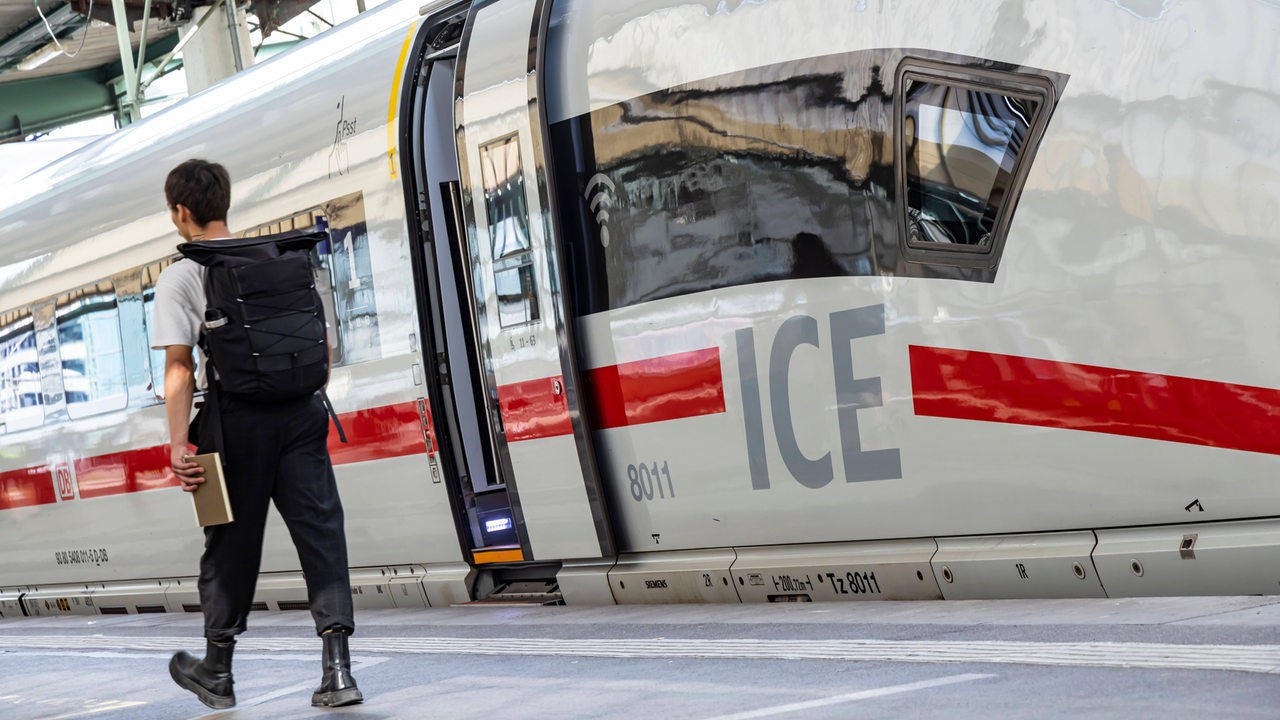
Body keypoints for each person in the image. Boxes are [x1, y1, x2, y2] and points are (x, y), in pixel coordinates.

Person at [151, 158, 363, 709]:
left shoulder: (184, 274)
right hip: (302, 412)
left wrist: (178, 443)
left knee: (229, 542)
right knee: (321, 533)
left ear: (180, 212)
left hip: (235, 421)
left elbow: (179, 368)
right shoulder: (279, 258)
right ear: (224, 202)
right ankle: (338, 671)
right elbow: (326, 348)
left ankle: (217, 669)